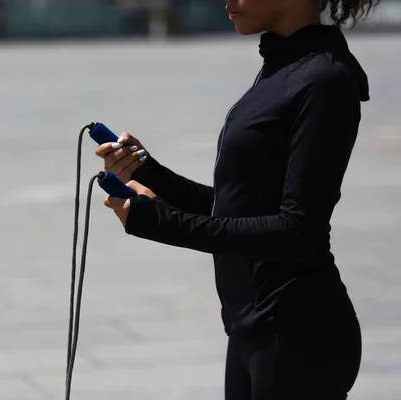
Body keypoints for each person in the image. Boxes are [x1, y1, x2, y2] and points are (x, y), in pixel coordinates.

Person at [94, 0, 378, 398]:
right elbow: (243, 205)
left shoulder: (325, 79)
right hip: (252, 331)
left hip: (297, 336)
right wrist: (149, 174)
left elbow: (298, 231)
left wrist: (155, 221)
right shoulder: (282, 65)